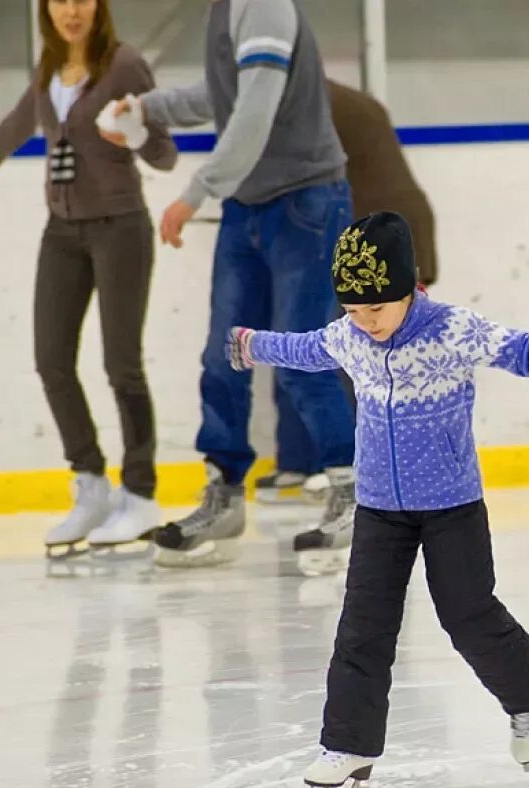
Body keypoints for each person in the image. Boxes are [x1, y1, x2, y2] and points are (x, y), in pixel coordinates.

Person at [226, 212, 529, 785]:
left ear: (408, 288)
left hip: (451, 505)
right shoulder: (348, 333)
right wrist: (249, 344)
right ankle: (348, 745)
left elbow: (522, 352)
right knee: (362, 627)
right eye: (353, 308)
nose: (365, 321)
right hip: (379, 508)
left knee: (468, 615)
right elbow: (304, 348)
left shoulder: (451, 330)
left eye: (377, 307)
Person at [102, 0, 357, 568]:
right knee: (225, 355)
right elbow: (221, 97)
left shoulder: (264, 7)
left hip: (307, 200)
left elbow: (253, 117)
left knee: (301, 357)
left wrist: (195, 192)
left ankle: (352, 490)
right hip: (249, 203)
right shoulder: (226, 11)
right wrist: (148, 108)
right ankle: (223, 493)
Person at [0, 0, 176, 558]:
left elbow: (165, 153)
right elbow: (20, 120)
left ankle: (142, 492)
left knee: (120, 363)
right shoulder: (48, 66)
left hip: (120, 227)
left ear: (98, 7)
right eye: (60, 1)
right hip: (63, 231)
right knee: (51, 359)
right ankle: (92, 483)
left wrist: (136, 134)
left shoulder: (124, 65)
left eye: (82, 0)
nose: (71, 12)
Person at [254, 79, 441, 511]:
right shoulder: (342, 99)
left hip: (377, 235)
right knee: (315, 338)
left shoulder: (306, 104)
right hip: (380, 227)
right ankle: (306, 462)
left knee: (352, 353)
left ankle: (365, 465)